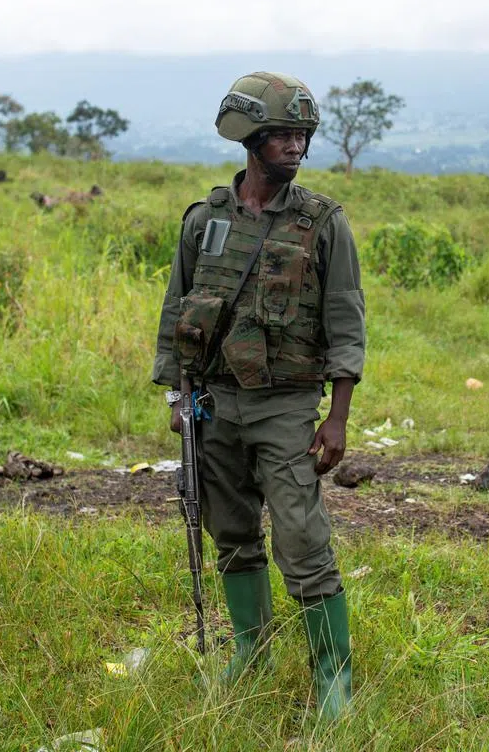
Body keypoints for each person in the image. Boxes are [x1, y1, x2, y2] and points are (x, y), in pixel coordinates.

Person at [152, 72, 365, 720]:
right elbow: (177, 312)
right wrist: (179, 397)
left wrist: (337, 418)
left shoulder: (322, 222)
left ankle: (333, 675)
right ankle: (252, 651)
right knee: (231, 532)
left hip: (285, 405)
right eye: (281, 135)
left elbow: (346, 322)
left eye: (303, 135)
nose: (296, 146)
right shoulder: (205, 221)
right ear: (250, 139)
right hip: (214, 403)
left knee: (301, 538)